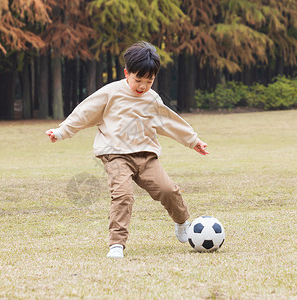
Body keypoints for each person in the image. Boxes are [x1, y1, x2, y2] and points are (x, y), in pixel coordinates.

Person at [46, 41, 209, 258]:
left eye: (149, 81)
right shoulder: (111, 93)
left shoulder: (152, 99)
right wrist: (61, 131)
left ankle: (182, 223)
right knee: (123, 195)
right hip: (115, 155)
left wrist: (193, 140)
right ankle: (116, 244)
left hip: (146, 156)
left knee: (169, 190)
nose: (142, 86)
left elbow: (169, 122)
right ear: (126, 73)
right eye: (138, 80)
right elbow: (85, 112)